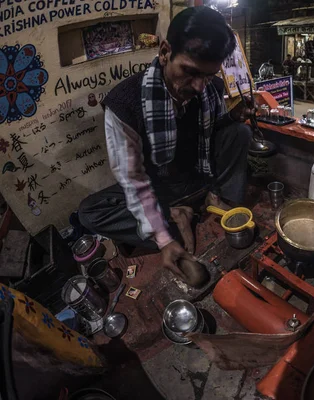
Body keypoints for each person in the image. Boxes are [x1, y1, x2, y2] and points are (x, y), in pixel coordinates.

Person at [78, 7, 254, 279]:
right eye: (190, 71)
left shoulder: (210, 89)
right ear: (164, 52)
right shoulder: (124, 103)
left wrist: (233, 115)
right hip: (160, 190)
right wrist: (162, 238)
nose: (198, 86)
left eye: (208, 75)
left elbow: (214, 131)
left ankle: (218, 200)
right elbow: (132, 177)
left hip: (199, 179)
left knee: (239, 133)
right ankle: (174, 217)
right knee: (90, 212)